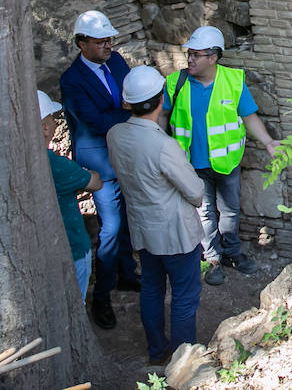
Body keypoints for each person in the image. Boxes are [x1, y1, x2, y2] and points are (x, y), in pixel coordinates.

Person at [162, 26, 279, 286]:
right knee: (204, 213)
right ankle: (213, 259)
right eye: (189, 54)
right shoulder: (175, 83)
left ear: (213, 57)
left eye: (196, 55)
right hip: (191, 165)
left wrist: (268, 142)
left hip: (227, 163)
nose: (190, 59)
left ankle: (232, 254)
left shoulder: (233, 81)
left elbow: (249, 116)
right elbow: (162, 117)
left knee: (230, 212)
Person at [109, 66, 204, 367]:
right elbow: (195, 192)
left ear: (127, 102)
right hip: (176, 233)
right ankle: (182, 360)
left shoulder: (115, 134)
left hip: (143, 229)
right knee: (184, 296)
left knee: (151, 288)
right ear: (161, 98)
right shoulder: (163, 145)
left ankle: (157, 351)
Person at [58, 9, 140, 329]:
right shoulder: (71, 80)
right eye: (101, 40)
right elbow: (94, 121)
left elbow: (131, 95)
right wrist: (130, 113)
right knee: (110, 228)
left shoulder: (116, 61)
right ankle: (102, 296)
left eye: (110, 39)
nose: (108, 45)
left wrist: (128, 108)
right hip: (99, 162)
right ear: (82, 43)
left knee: (128, 220)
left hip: (125, 152)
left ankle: (126, 274)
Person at [39, 90, 102, 302]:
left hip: (39, 256)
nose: (55, 122)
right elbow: (95, 182)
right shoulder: (58, 166)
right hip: (72, 250)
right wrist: (81, 174)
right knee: (75, 304)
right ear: (45, 128)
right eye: (52, 117)